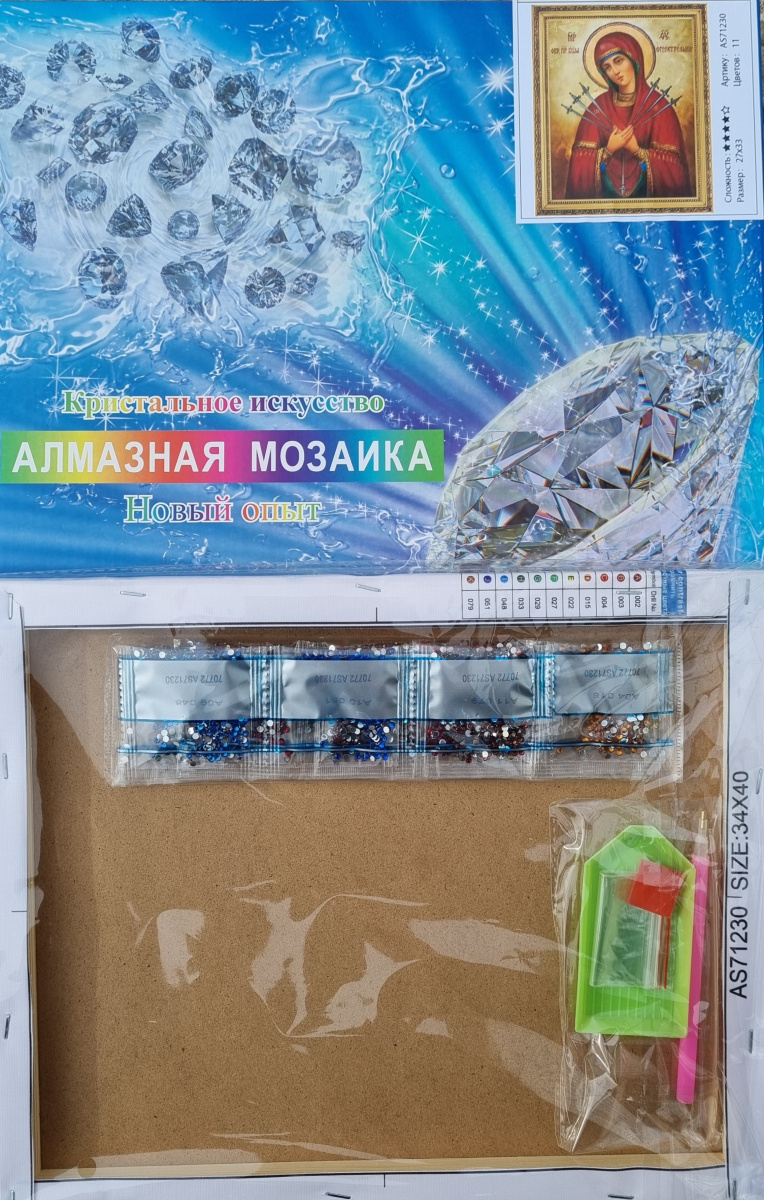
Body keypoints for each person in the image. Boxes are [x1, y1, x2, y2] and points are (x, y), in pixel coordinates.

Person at [565, 28, 691, 200]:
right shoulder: (597, 108)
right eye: (607, 67)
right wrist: (609, 150)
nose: (615, 71)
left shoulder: (659, 107)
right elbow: (578, 168)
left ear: (634, 58)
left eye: (619, 61)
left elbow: (675, 171)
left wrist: (637, 151)